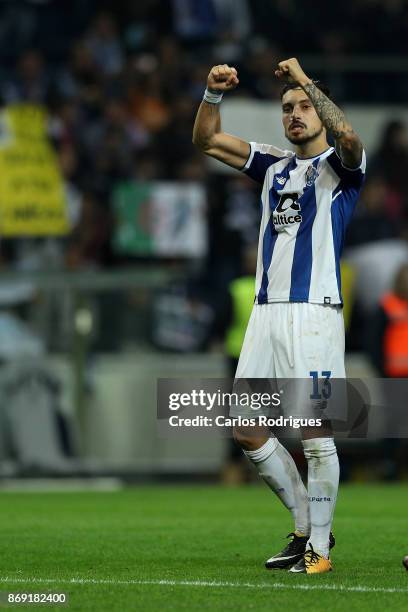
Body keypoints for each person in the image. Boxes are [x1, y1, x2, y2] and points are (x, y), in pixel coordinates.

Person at [192, 58, 365, 574]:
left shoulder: (342, 167)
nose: (294, 113)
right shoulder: (271, 164)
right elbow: (206, 141)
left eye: (304, 106)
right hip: (266, 314)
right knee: (246, 428)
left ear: (324, 112)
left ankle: (320, 553)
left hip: (313, 311)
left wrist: (306, 79)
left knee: (315, 430)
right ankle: (305, 527)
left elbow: (352, 138)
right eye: (287, 107)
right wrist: (212, 94)